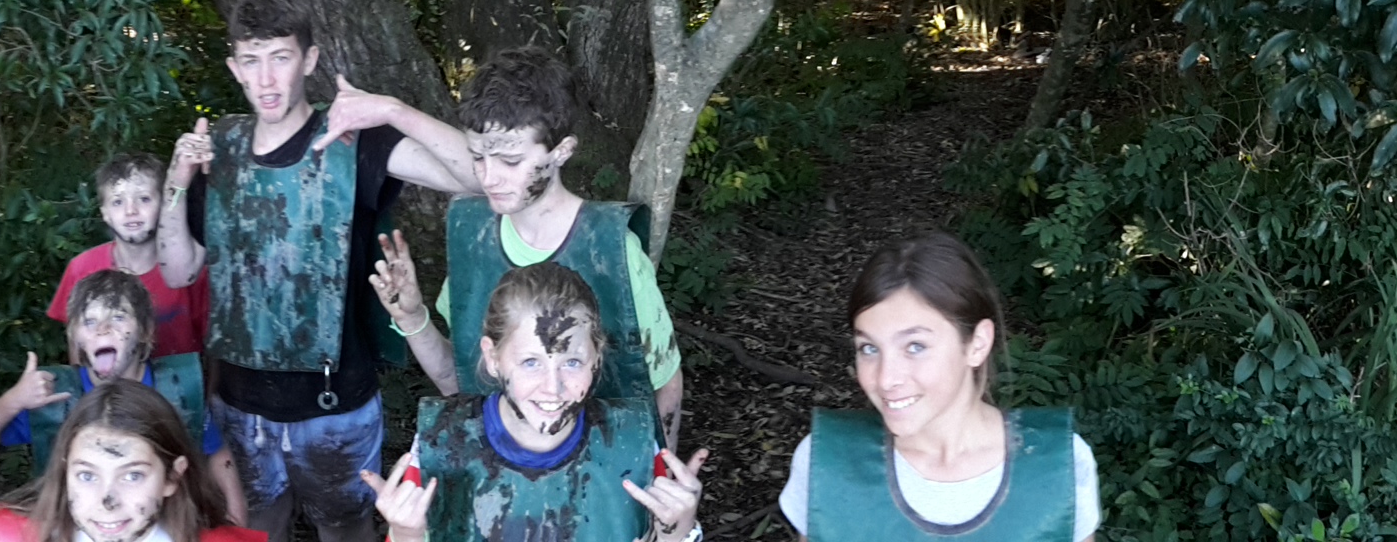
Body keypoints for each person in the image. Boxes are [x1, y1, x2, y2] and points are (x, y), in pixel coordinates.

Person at [162, 0, 478, 542]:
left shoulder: (352, 141)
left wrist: (392, 111)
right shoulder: (220, 149)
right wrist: (176, 182)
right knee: (259, 525)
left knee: (348, 526)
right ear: (234, 65)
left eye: (280, 57)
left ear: (309, 60)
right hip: (240, 400)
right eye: (252, 60)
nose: (266, 78)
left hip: (337, 404)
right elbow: (178, 271)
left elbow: (474, 177)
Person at [365, 47, 687, 436]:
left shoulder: (612, 248)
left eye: (511, 161)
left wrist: (660, 468)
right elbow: (461, 383)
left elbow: (665, 383)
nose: (489, 178)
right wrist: (413, 319)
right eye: (478, 159)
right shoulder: (474, 238)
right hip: (503, 476)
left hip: (604, 471)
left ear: (561, 151)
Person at [781, 232, 1101, 540]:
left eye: (915, 347)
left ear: (977, 343)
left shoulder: (1058, 465)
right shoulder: (827, 463)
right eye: (869, 349)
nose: (885, 379)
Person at [358, 263, 709, 542]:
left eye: (571, 362)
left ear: (596, 358)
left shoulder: (632, 444)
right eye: (531, 363)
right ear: (493, 358)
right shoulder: (444, 444)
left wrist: (678, 531)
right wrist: (406, 535)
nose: (553, 388)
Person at [0, 270, 241, 515]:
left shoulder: (177, 386)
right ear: (75, 336)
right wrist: (14, 400)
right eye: (89, 321)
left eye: (119, 317)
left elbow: (218, 456)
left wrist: (236, 523)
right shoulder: (55, 395)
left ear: (145, 330)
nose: (103, 329)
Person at [0, 379, 268, 542]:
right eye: (88, 476)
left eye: (132, 476)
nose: (108, 501)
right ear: (65, 471)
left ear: (172, 477)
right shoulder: (0, 536)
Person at [49, 154, 212, 361]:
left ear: (163, 204)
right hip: (109, 389)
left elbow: (212, 343)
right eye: (117, 202)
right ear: (105, 213)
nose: (131, 211)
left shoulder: (191, 271)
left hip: (180, 387)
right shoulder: (82, 268)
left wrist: (209, 391)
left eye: (144, 199)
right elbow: (75, 341)